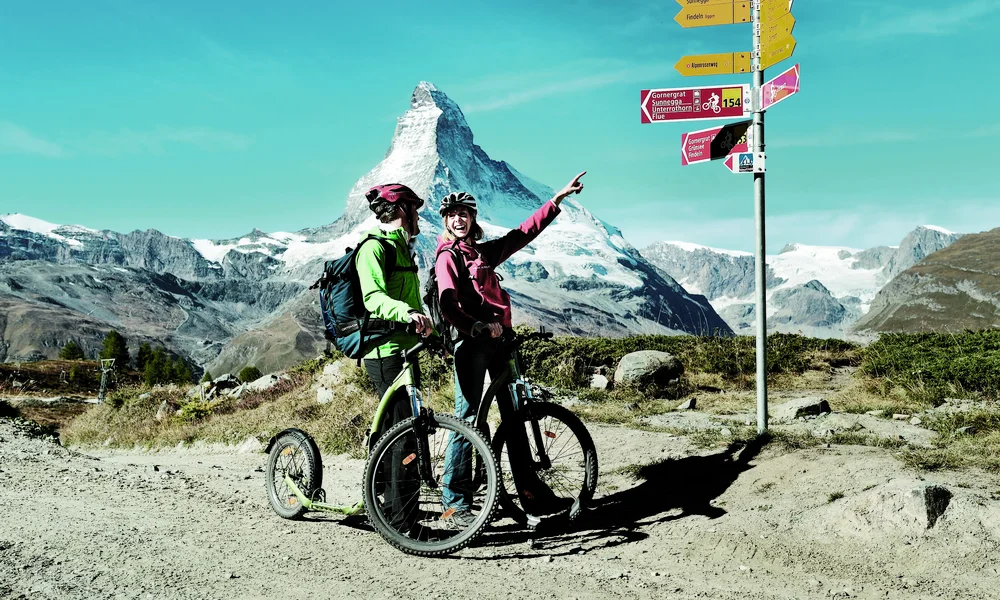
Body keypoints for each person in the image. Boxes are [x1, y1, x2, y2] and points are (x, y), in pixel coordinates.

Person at [435, 172, 586, 523]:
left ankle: (530, 493)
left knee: (516, 418)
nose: (459, 219)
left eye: (464, 213)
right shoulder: (448, 256)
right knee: (469, 419)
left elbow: (521, 234)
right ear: (446, 221)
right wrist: (473, 326)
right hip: (471, 346)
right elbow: (447, 302)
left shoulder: (483, 252)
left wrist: (556, 200)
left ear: (473, 220)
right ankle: (455, 502)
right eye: (452, 214)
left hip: (501, 343)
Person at [356, 183, 433, 534]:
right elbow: (373, 297)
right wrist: (405, 313)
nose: (418, 215)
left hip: (406, 351)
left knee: (404, 433)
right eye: (414, 209)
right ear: (401, 210)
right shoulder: (374, 248)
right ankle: (403, 523)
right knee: (403, 437)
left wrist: (427, 328)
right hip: (384, 353)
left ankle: (389, 505)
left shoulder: (403, 248)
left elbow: (412, 299)